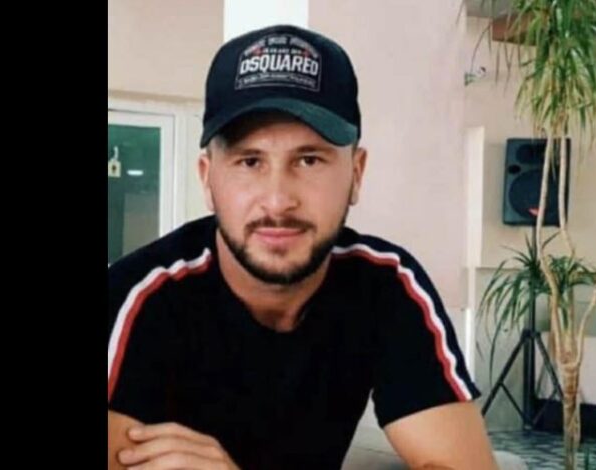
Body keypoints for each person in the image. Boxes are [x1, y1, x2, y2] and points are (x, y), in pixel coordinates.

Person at [108, 24, 498, 470]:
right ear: (207, 178)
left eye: (309, 160)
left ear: (356, 174)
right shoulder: (139, 300)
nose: (277, 201)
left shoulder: (386, 285)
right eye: (249, 162)